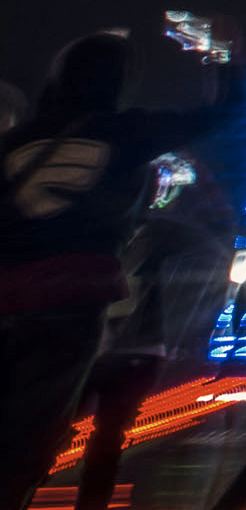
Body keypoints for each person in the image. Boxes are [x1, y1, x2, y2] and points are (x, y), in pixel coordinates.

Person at [0, 28, 245, 502]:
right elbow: (229, 113)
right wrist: (221, 55)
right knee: (30, 440)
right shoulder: (128, 132)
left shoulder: (16, 141)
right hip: (69, 304)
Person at [68, 161, 234, 510]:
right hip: (134, 350)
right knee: (102, 437)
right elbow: (216, 240)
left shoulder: (102, 228)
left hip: (111, 346)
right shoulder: (160, 231)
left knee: (70, 429)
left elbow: (215, 242)